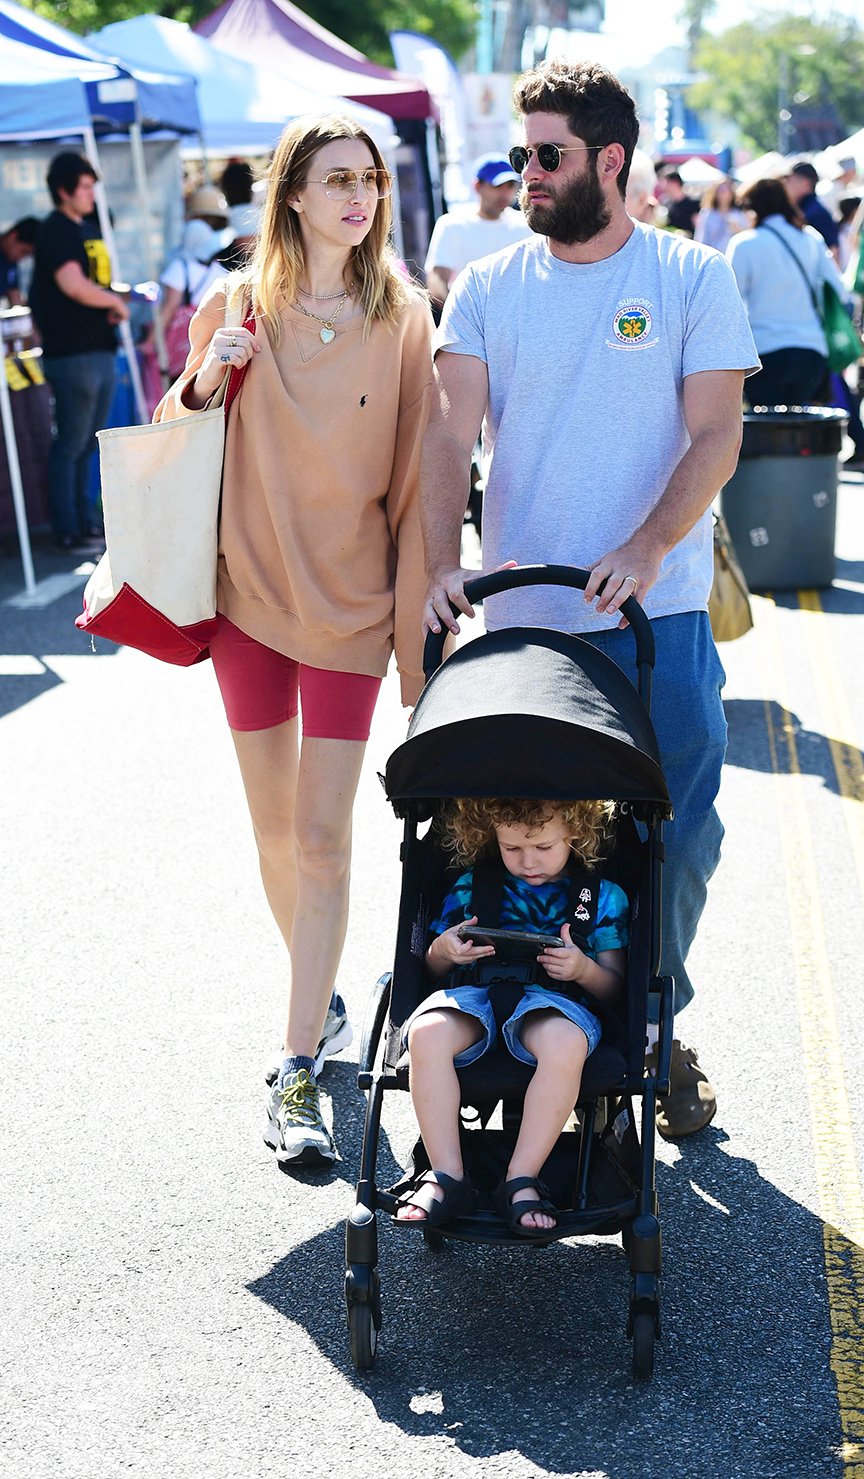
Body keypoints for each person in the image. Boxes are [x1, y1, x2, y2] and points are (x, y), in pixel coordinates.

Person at [420, 58, 760, 1140]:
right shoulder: (488, 285)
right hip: (528, 626)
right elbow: (445, 433)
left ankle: (649, 1024)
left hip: (655, 618)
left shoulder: (689, 276)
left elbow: (716, 433)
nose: (526, 172)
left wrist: (648, 544)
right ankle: (516, 1020)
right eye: (521, 154)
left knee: (679, 836)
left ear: (608, 161)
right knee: (515, 842)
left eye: (547, 154)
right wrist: (439, 560)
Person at [155, 115, 434, 1170]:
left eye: (369, 181)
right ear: (293, 197)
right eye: (337, 182)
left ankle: (298, 1068)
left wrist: (416, 644)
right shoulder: (236, 304)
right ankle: (316, 1005)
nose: (360, 200)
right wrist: (204, 376)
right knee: (273, 834)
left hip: (352, 613)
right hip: (246, 601)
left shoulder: (403, 317)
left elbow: (415, 489)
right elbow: (171, 439)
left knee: (322, 839)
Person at [395, 798, 628, 1229]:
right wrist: (443, 951)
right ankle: (447, 1174)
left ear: (574, 833)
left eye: (543, 848)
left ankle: (522, 1178)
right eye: (512, 849)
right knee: (426, 1031)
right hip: (474, 992)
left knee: (564, 1042)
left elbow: (615, 986)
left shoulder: (600, 897)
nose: (528, 862)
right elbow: (430, 966)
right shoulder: (471, 886)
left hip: (556, 1002)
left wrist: (583, 968)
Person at [29, 152, 130, 553]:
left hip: (96, 348)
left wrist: (112, 299)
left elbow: (88, 283)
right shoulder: (56, 229)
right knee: (72, 443)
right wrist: (113, 302)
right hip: (72, 352)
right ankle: (67, 529)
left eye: (92, 185)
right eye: (85, 186)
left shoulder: (83, 227)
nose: (91, 194)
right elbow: (73, 284)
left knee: (87, 443)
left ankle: (85, 524)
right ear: (63, 190)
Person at [727, 177, 848, 406]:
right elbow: (840, 289)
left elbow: (729, 303)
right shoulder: (810, 237)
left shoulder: (744, 243)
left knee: (769, 434)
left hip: (764, 351)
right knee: (801, 431)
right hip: (811, 350)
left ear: (753, 208)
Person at [424, 154, 531, 311]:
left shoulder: (525, 224)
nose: (505, 193)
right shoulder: (452, 225)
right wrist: (459, 318)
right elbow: (437, 279)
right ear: (477, 186)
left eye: (510, 185)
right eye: (497, 186)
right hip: (469, 321)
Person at [156, 219, 228, 379]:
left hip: (189, 338)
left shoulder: (180, 267)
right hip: (215, 336)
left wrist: (152, 339)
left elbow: (170, 307)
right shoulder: (219, 270)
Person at [784, 162, 839, 253]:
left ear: (805, 183)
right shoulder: (808, 209)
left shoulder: (813, 213)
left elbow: (833, 251)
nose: (786, 185)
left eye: (789, 180)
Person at [693, 180, 746, 254]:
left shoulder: (738, 213)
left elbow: (745, 236)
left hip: (733, 256)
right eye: (722, 191)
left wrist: (738, 230)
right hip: (712, 256)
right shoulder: (707, 213)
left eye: (728, 190)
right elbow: (700, 238)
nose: (725, 193)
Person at [659, 170, 700, 236]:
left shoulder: (693, 204)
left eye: (666, 182)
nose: (663, 186)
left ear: (675, 183)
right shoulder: (667, 204)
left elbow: (698, 228)